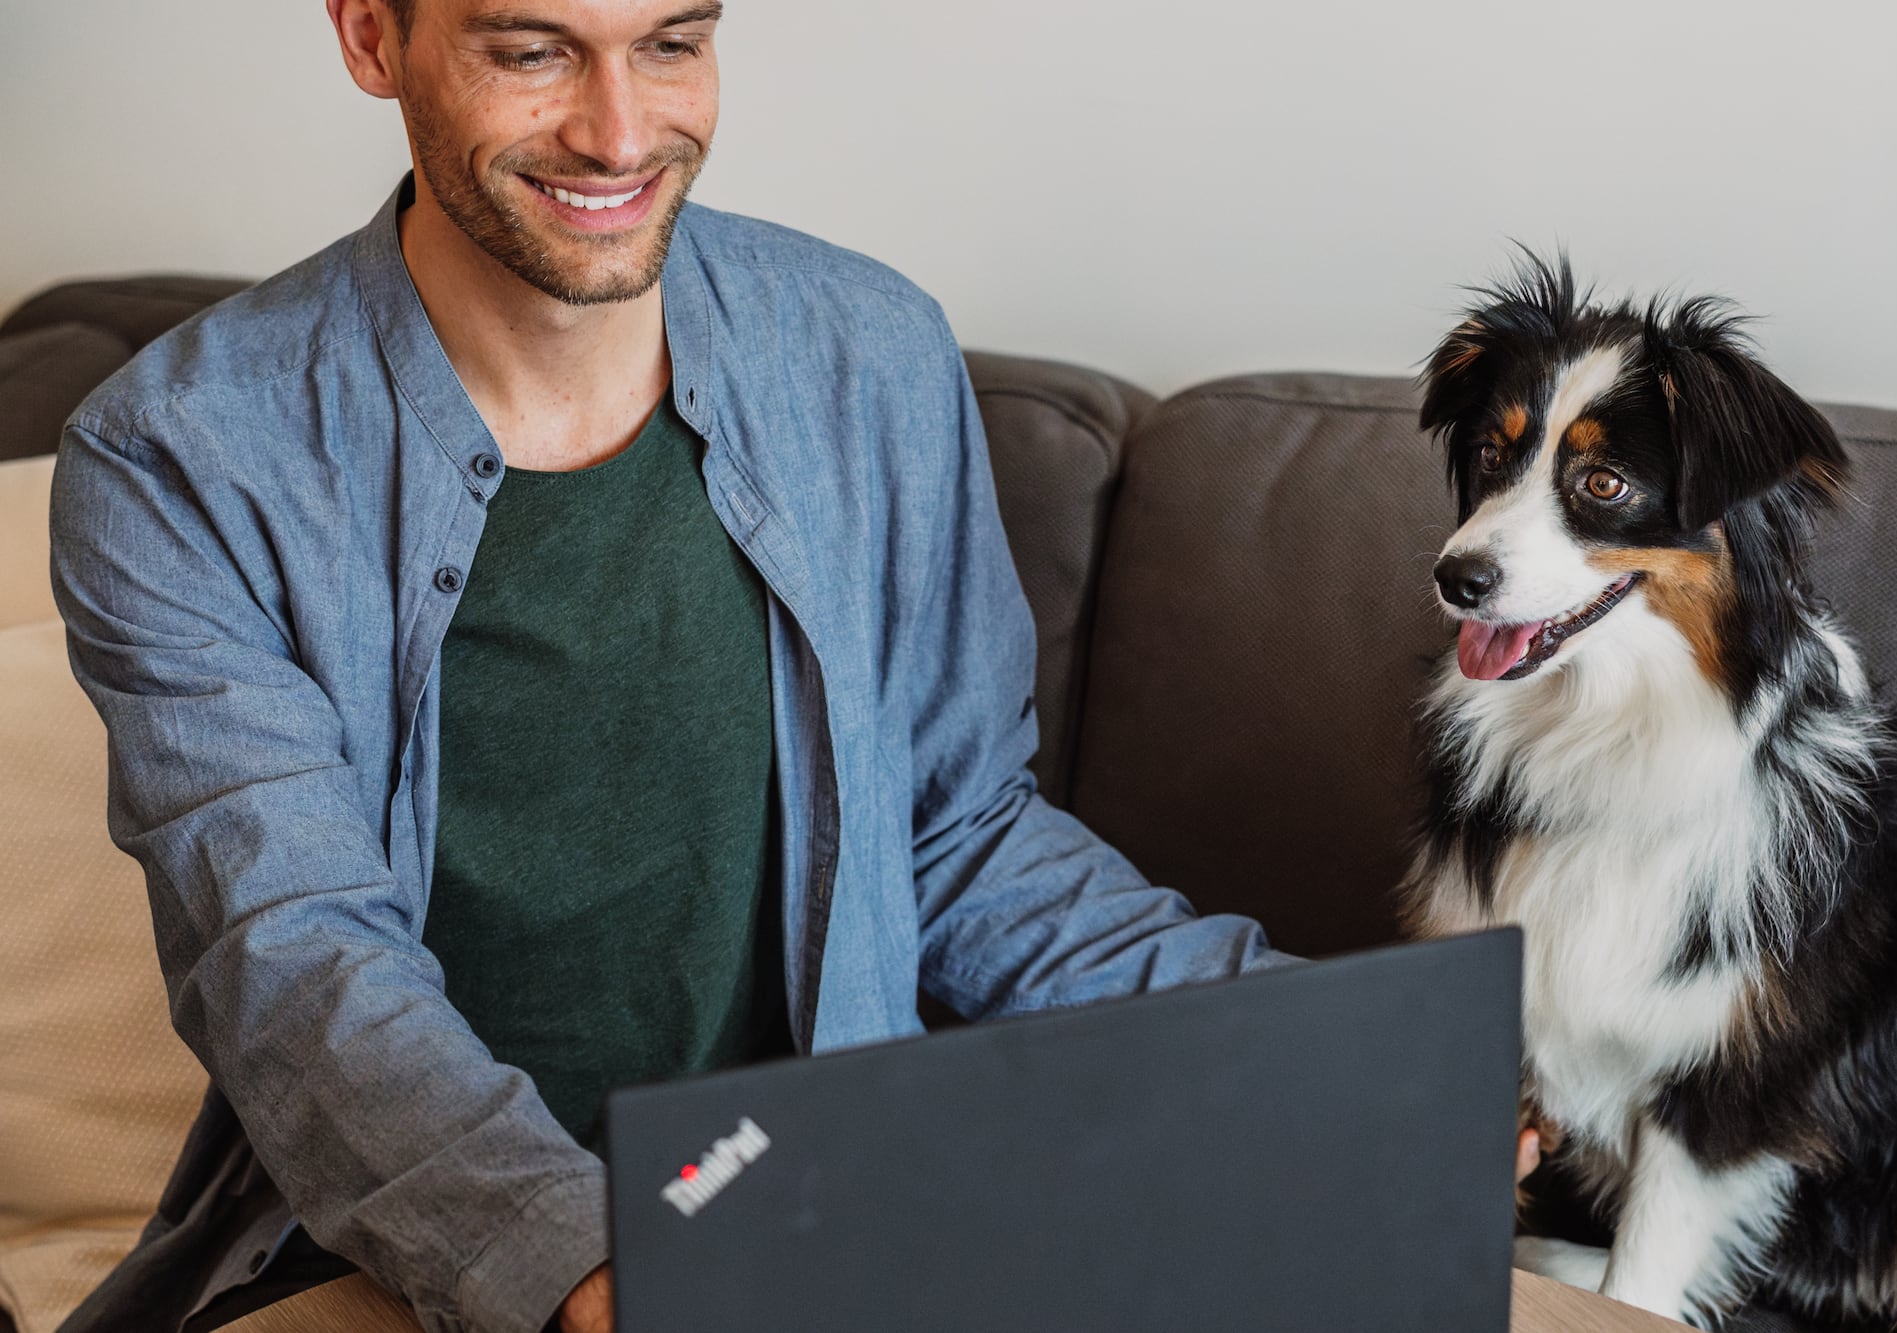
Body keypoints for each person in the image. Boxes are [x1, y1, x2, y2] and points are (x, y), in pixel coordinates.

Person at [47, 3, 1296, 1331]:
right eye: (532, 54)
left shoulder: (867, 355)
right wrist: (589, 1263)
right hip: (401, 1254)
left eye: (671, 42)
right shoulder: (180, 457)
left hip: (822, 1206)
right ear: (371, 39)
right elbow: (292, 960)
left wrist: (1306, 1041)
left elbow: (956, 838)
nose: (621, 132)